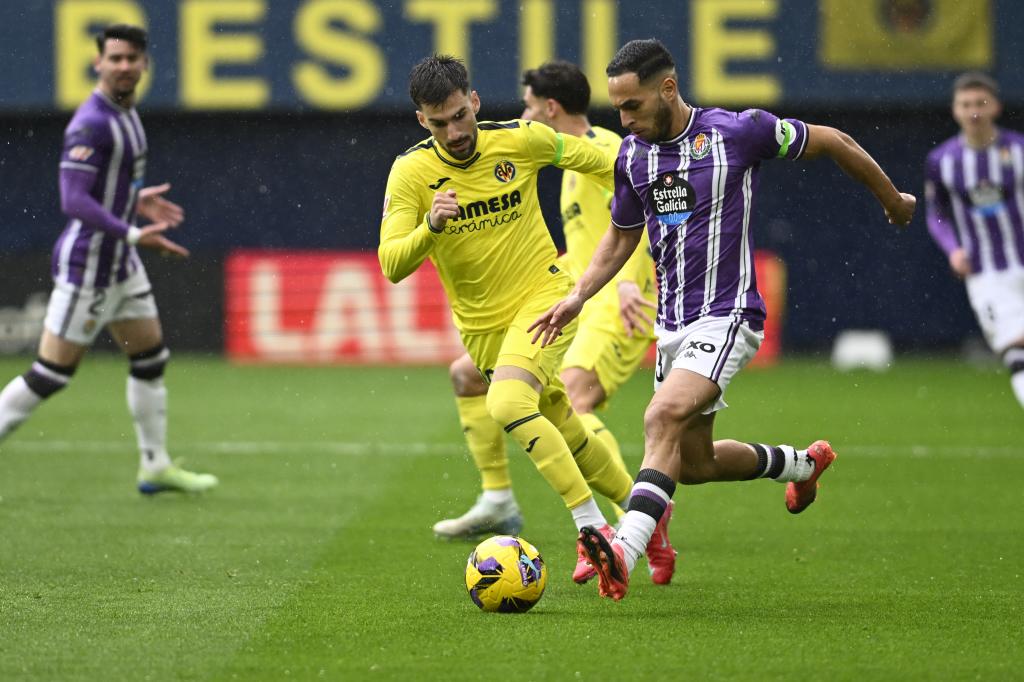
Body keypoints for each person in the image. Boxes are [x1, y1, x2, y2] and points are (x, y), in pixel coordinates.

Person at [530, 39, 916, 600]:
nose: (624, 118)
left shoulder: (737, 133)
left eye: (632, 105)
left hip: (730, 313)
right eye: (618, 108)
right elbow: (621, 235)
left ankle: (623, 551)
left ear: (668, 88)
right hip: (673, 325)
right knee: (694, 463)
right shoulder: (632, 157)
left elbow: (834, 140)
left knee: (660, 416)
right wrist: (579, 296)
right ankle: (801, 465)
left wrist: (892, 199)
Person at [379, 55, 638, 578]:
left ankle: (592, 527)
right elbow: (391, 264)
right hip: (482, 330)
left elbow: (606, 164)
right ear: (421, 122)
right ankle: (645, 509)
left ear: (473, 102)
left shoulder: (519, 140)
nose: (454, 132)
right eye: (439, 123)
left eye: (459, 115)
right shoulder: (410, 174)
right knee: (562, 423)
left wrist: (668, 198)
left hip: (543, 298)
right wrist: (430, 227)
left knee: (506, 402)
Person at [432, 60, 676, 585]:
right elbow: (590, 242)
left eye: (527, 105)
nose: (521, 115)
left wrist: (633, 278)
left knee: (573, 399)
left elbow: (648, 209)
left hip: (619, 304)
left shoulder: (607, 150)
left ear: (549, 108)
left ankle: (628, 523)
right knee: (469, 375)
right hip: (580, 299)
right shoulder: (566, 162)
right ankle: (499, 497)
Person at [0, 25, 217, 494]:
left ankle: (155, 466)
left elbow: (105, 188)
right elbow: (74, 200)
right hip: (91, 266)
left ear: (143, 65)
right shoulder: (91, 122)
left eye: (131, 58)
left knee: (150, 359)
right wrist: (137, 231)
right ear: (98, 63)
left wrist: (135, 199)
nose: (123, 66)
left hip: (122, 263)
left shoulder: (128, 114)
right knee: (51, 374)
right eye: (114, 58)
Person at [925, 72, 1024, 410]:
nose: (974, 112)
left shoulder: (1019, 150)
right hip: (987, 273)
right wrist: (953, 250)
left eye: (980, 103)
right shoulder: (942, 161)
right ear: (955, 110)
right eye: (966, 105)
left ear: (995, 106)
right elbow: (935, 214)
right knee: (1015, 350)